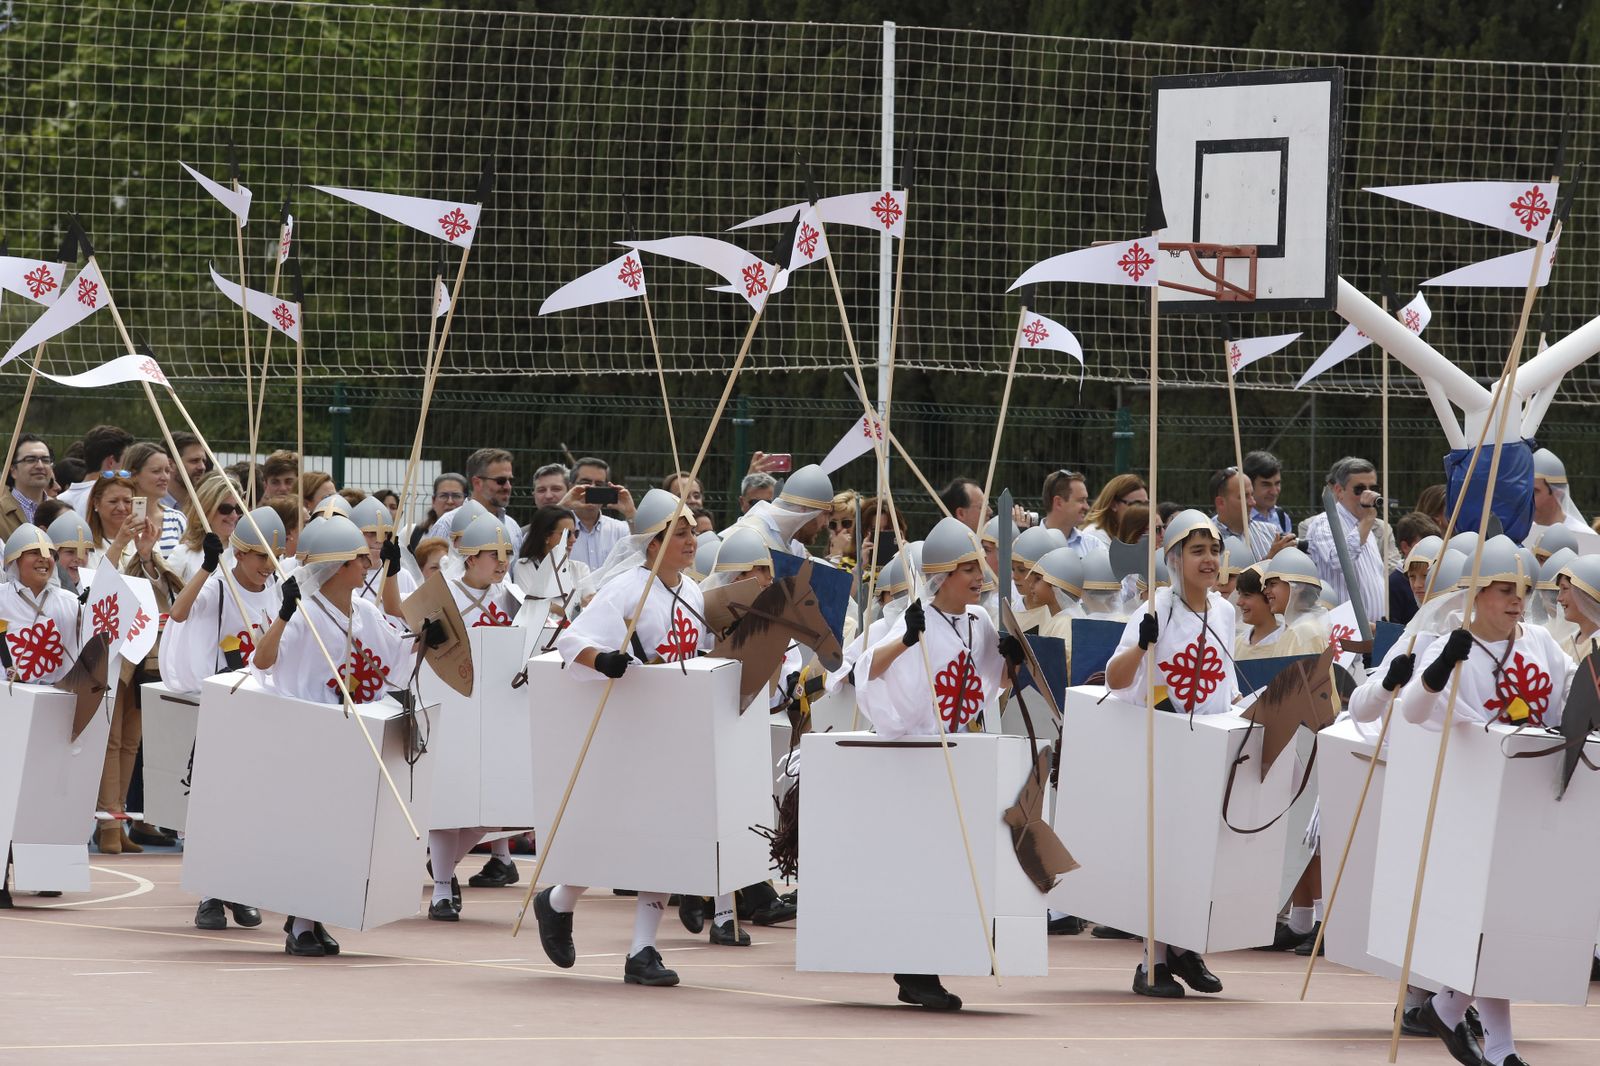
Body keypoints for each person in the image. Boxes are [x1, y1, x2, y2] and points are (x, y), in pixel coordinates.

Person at [1398, 536, 1573, 1066]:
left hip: (1530, 790)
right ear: (1476, 593)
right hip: (1471, 796)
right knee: (1488, 920)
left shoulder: (1541, 641)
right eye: (1503, 589)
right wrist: (1435, 670)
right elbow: (1411, 711)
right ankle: (1483, 1033)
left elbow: (1568, 701)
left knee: (1509, 917)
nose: (1516, 599)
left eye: (1521, 588)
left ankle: (1466, 1019)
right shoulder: (1448, 644)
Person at [533, 488, 710, 989]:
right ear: (652, 544)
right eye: (680, 531)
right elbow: (572, 640)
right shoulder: (626, 590)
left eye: (693, 530)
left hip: (674, 730)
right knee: (617, 831)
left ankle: (642, 950)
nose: (691, 539)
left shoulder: (692, 592)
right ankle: (559, 900)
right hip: (628, 731)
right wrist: (604, 660)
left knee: (664, 835)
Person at [854, 515, 1025, 1010]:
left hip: (958, 752)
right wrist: (904, 640)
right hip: (913, 755)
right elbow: (865, 674)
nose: (978, 575)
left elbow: (994, 684)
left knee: (950, 863)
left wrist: (1012, 661)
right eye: (966, 567)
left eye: (978, 565)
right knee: (917, 863)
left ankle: (927, 963)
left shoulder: (980, 621)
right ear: (942, 574)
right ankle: (914, 968)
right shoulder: (913, 617)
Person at [250, 514, 425, 957]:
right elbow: (263, 661)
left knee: (343, 831)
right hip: (311, 732)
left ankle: (310, 917)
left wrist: (428, 640)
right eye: (358, 560)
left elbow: (395, 654)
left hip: (356, 728)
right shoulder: (302, 614)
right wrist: (285, 614)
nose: (366, 565)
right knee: (314, 829)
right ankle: (302, 922)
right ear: (337, 566)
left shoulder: (363, 611)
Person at [1104, 509, 1234, 997]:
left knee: (1201, 853)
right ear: (1174, 559)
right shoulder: (1153, 610)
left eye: (1213, 550)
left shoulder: (1224, 611)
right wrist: (1140, 646)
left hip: (1209, 744)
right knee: (1165, 852)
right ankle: (1151, 962)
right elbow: (1116, 681)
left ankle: (1184, 948)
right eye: (1196, 551)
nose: (1208, 560)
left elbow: (1220, 679)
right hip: (1165, 744)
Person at [160, 507, 285, 930]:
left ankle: (243, 888)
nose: (267, 567)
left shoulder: (278, 590)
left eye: (273, 557)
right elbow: (177, 614)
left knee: (257, 804)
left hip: (264, 709)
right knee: (213, 802)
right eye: (260, 558)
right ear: (241, 553)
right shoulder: (220, 586)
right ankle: (211, 894)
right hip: (223, 708)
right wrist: (208, 569)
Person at [1302, 457, 1399, 617]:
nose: (1368, 495)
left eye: (1373, 488)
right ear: (1339, 491)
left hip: (1375, 629)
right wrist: (1367, 520)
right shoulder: (1325, 523)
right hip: (1344, 631)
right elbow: (1339, 561)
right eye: (1360, 489)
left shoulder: (1363, 524)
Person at [425, 448, 522, 554]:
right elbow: (433, 569)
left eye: (510, 480)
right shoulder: (447, 525)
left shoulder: (512, 527)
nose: (508, 486)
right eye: (501, 481)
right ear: (477, 483)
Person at [511, 506, 590, 632]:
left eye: (576, 533)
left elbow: (591, 608)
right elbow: (529, 607)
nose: (573, 540)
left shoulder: (581, 569)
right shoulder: (525, 566)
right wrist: (575, 605)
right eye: (567, 534)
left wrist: (550, 605)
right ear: (546, 537)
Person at [736, 464, 833, 556]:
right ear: (804, 510)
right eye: (824, 514)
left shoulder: (791, 544)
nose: (826, 524)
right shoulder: (753, 538)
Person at [166, 476, 244, 583]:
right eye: (226, 509)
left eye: (238, 508)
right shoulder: (184, 553)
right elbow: (164, 595)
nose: (234, 516)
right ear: (207, 510)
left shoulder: (244, 553)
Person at [349, 497, 415, 623]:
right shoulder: (346, 575)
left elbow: (414, 617)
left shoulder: (403, 576)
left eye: (384, 534)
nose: (379, 540)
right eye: (371, 533)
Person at [564, 457, 633, 571]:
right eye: (585, 483)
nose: (592, 488)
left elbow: (646, 550)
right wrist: (562, 507)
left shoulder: (620, 529)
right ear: (571, 487)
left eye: (599, 484)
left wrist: (631, 513)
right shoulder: (557, 528)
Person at [1210, 466, 1291, 563]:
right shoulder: (1207, 539)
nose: (1252, 502)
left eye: (1252, 494)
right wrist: (1269, 561)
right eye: (1244, 497)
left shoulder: (1271, 532)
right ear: (1221, 503)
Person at [122, 442, 187, 554]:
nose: (165, 477)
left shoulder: (177, 519)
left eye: (167, 471)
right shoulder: (119, 517)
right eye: (156, 471)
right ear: (134, 475)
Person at [60, 425, 134, 517]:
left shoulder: (60, 500)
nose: (128, 466)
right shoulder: (123, 501)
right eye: (126, 460)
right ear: (111, 462)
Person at [1527, 447, 1590, 551]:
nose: (1528, 499)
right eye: (1526, 491)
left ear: (1558, 494)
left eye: (1535, 491)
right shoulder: (1521, 532)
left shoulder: (1584, 537)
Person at [1388, 513, 1442, 625]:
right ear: (1405, 547)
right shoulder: (1393, 584)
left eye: (1426, 575)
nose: (1417, 584)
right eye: (1412, 577)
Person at [1, 434, 54, 538]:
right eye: (30, 459)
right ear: (13, 470)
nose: (40, 466)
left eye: (45, 460)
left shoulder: (61, 511)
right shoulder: (2, 512)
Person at [84, 471, 139, 570]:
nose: (122, 508)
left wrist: (147, 558)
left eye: (127, 501)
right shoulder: (85, 546)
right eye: (113, 501)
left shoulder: (143, 539)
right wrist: (118, 543)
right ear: (96, 503)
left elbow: (160, 584)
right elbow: (97, 583)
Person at [404, 473, 468, 557]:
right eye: (443, 496)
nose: (450, 501)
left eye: (456, 496)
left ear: (466, 500)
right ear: (433, 501)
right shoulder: (410, 533)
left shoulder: (475, 536)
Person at [1082, 473, 1148, 548]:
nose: (1142, 509)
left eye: (1146, 504)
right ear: (1113, 505)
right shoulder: (1095, 537)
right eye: (1136, 504)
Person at [1233, 565, 1286, 659]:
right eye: (1239, 594)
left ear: (1268, 597)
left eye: (1246, 595)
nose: (1239, 602)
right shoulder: (1236, 645)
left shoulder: (1287, 641)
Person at [1040, 469, 1093, 555]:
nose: (1087, 507)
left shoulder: (1093, 546)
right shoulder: (1025, 545)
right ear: (1059, 503)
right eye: (1081, 500)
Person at [44, 512, 94, 596]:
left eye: (84, 552)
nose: (78, 558)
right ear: (52, 554)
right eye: (70, 552)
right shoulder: (42, 589)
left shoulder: (92, 588)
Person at [1243, 450, 1293, 533]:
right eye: (1266, 485)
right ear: (1249, 485)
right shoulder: (1237, 520)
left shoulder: (1282, 518)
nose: (1274, 492)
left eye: (1277, 483)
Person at [168, 431, 211, 513]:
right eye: (194, 461)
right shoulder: (150, 509)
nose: (202, 467)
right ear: (170, 464)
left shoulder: (206, 508)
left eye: (204, 461)